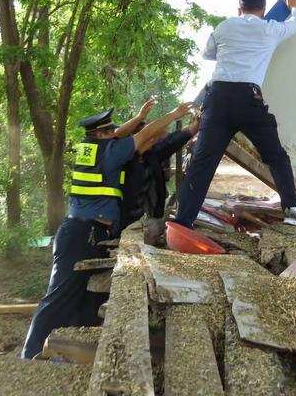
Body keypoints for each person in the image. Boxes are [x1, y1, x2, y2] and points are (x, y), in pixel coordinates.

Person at [21, 100, 192, 359]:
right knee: (58, 298)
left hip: (90, 233)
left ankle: (70, 352)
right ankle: (28, 355)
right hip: (83, 234)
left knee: (88, 299)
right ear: (100, 135)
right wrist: (174, 114)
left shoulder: (90, 148)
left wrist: (137, 117)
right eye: (110, 132)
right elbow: (143, 136)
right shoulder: (110, 152)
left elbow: (124, 133)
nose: (116, 133)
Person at [175, 0, 296, 228]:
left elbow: (208, 54)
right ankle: (293, 210)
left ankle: (183, 221)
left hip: (217, 99)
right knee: (276, 157)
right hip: (249, 100)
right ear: (264, 10)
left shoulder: (225, 27)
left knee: (202, 162)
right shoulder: (270, 28)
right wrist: (295, 7)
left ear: (239, 9)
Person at [119, 116, 200, 232]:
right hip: (126, 224)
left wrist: (193, 127)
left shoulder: (153, 153)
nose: (151, 138)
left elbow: (173, 140)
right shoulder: (121, 160)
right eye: (143, 134)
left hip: (152, 218)